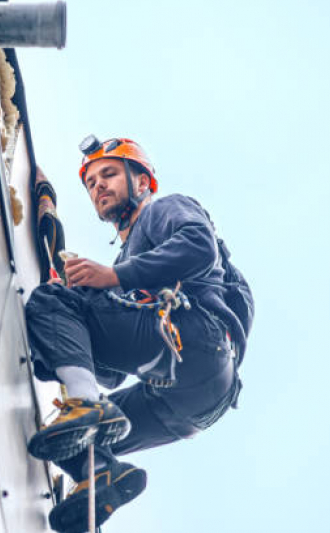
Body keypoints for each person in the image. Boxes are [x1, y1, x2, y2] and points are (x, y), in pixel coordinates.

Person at [25, 136, 252, 533]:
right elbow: (111, 372)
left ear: (143, 182)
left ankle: (85, 405)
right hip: (190, 398)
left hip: (197, 337)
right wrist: (56, 344)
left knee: (51, 299)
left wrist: (108, 280)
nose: (99, 185)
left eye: (109, 174)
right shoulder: (127, 261)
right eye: (91, 181)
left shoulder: (163, 210)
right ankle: (103, 478)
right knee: (72, 440)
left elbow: (199, 245)